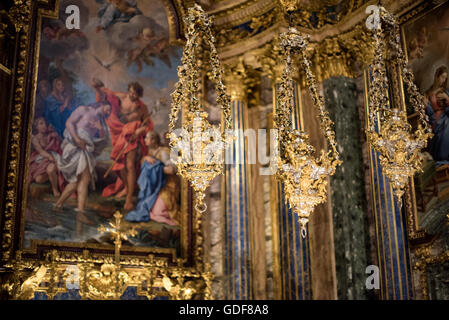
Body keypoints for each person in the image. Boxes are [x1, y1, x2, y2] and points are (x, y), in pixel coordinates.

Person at [92, 78, 154, 211]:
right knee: (119, 165)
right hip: (118, 133)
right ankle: (127, 188)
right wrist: (98, 87)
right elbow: (106, 94)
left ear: (139, 95)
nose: (132, 95)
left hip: (132, 136)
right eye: (131, 92)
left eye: (135, 94)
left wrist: (138, 131)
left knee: (130, 165)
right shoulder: (122, 97)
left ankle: (128, 200)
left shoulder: (142, 108)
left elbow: (148, 124)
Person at [52, 102, 112, 213]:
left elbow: (104, 140)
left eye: (109, 112)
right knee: (83, 179)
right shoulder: (83, 109)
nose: (107, 113)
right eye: (107, 109)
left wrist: (100, 129)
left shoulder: (101, 122)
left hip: (85, 150)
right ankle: (79, 210)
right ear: (101, 104)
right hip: (75, 146)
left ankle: (60, 205)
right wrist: (77, 139)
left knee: (80, 180)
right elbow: (69, 123)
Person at [125, 131, 179, 225]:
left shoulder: (164, 152)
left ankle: (171, 221)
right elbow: (145, 165)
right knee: (148, 209)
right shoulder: (151, 151)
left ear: (153, 140)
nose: (145, 140)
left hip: (167, 187)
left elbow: (171, 170)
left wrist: (155, 168)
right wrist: (146, 158)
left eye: (147, 138)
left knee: (157, 213)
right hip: (156, 188)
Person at [28, 117, 63, 197]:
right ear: (36, 127)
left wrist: (56, 136)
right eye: (41, 123)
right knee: (38, 179)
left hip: (54, 157)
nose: (44, 125)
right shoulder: (35, 138)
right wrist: (49, 156)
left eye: (45, 123)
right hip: (42, 158)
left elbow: (61, 144)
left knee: (50, 170)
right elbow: (41, 151)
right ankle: (55, 177)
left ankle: (55, 190)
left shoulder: (51, 134)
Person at [425, 65, 449, 164]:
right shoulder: (428, 93)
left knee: (446, 128)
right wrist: (426, 105)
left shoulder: (445, 92)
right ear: (436, 76)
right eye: (442, 77)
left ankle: (444, 158)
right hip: (433, 119)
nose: (443, 80)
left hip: (445, 117)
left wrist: (447, 99)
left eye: (445, 78)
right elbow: (428, 112)